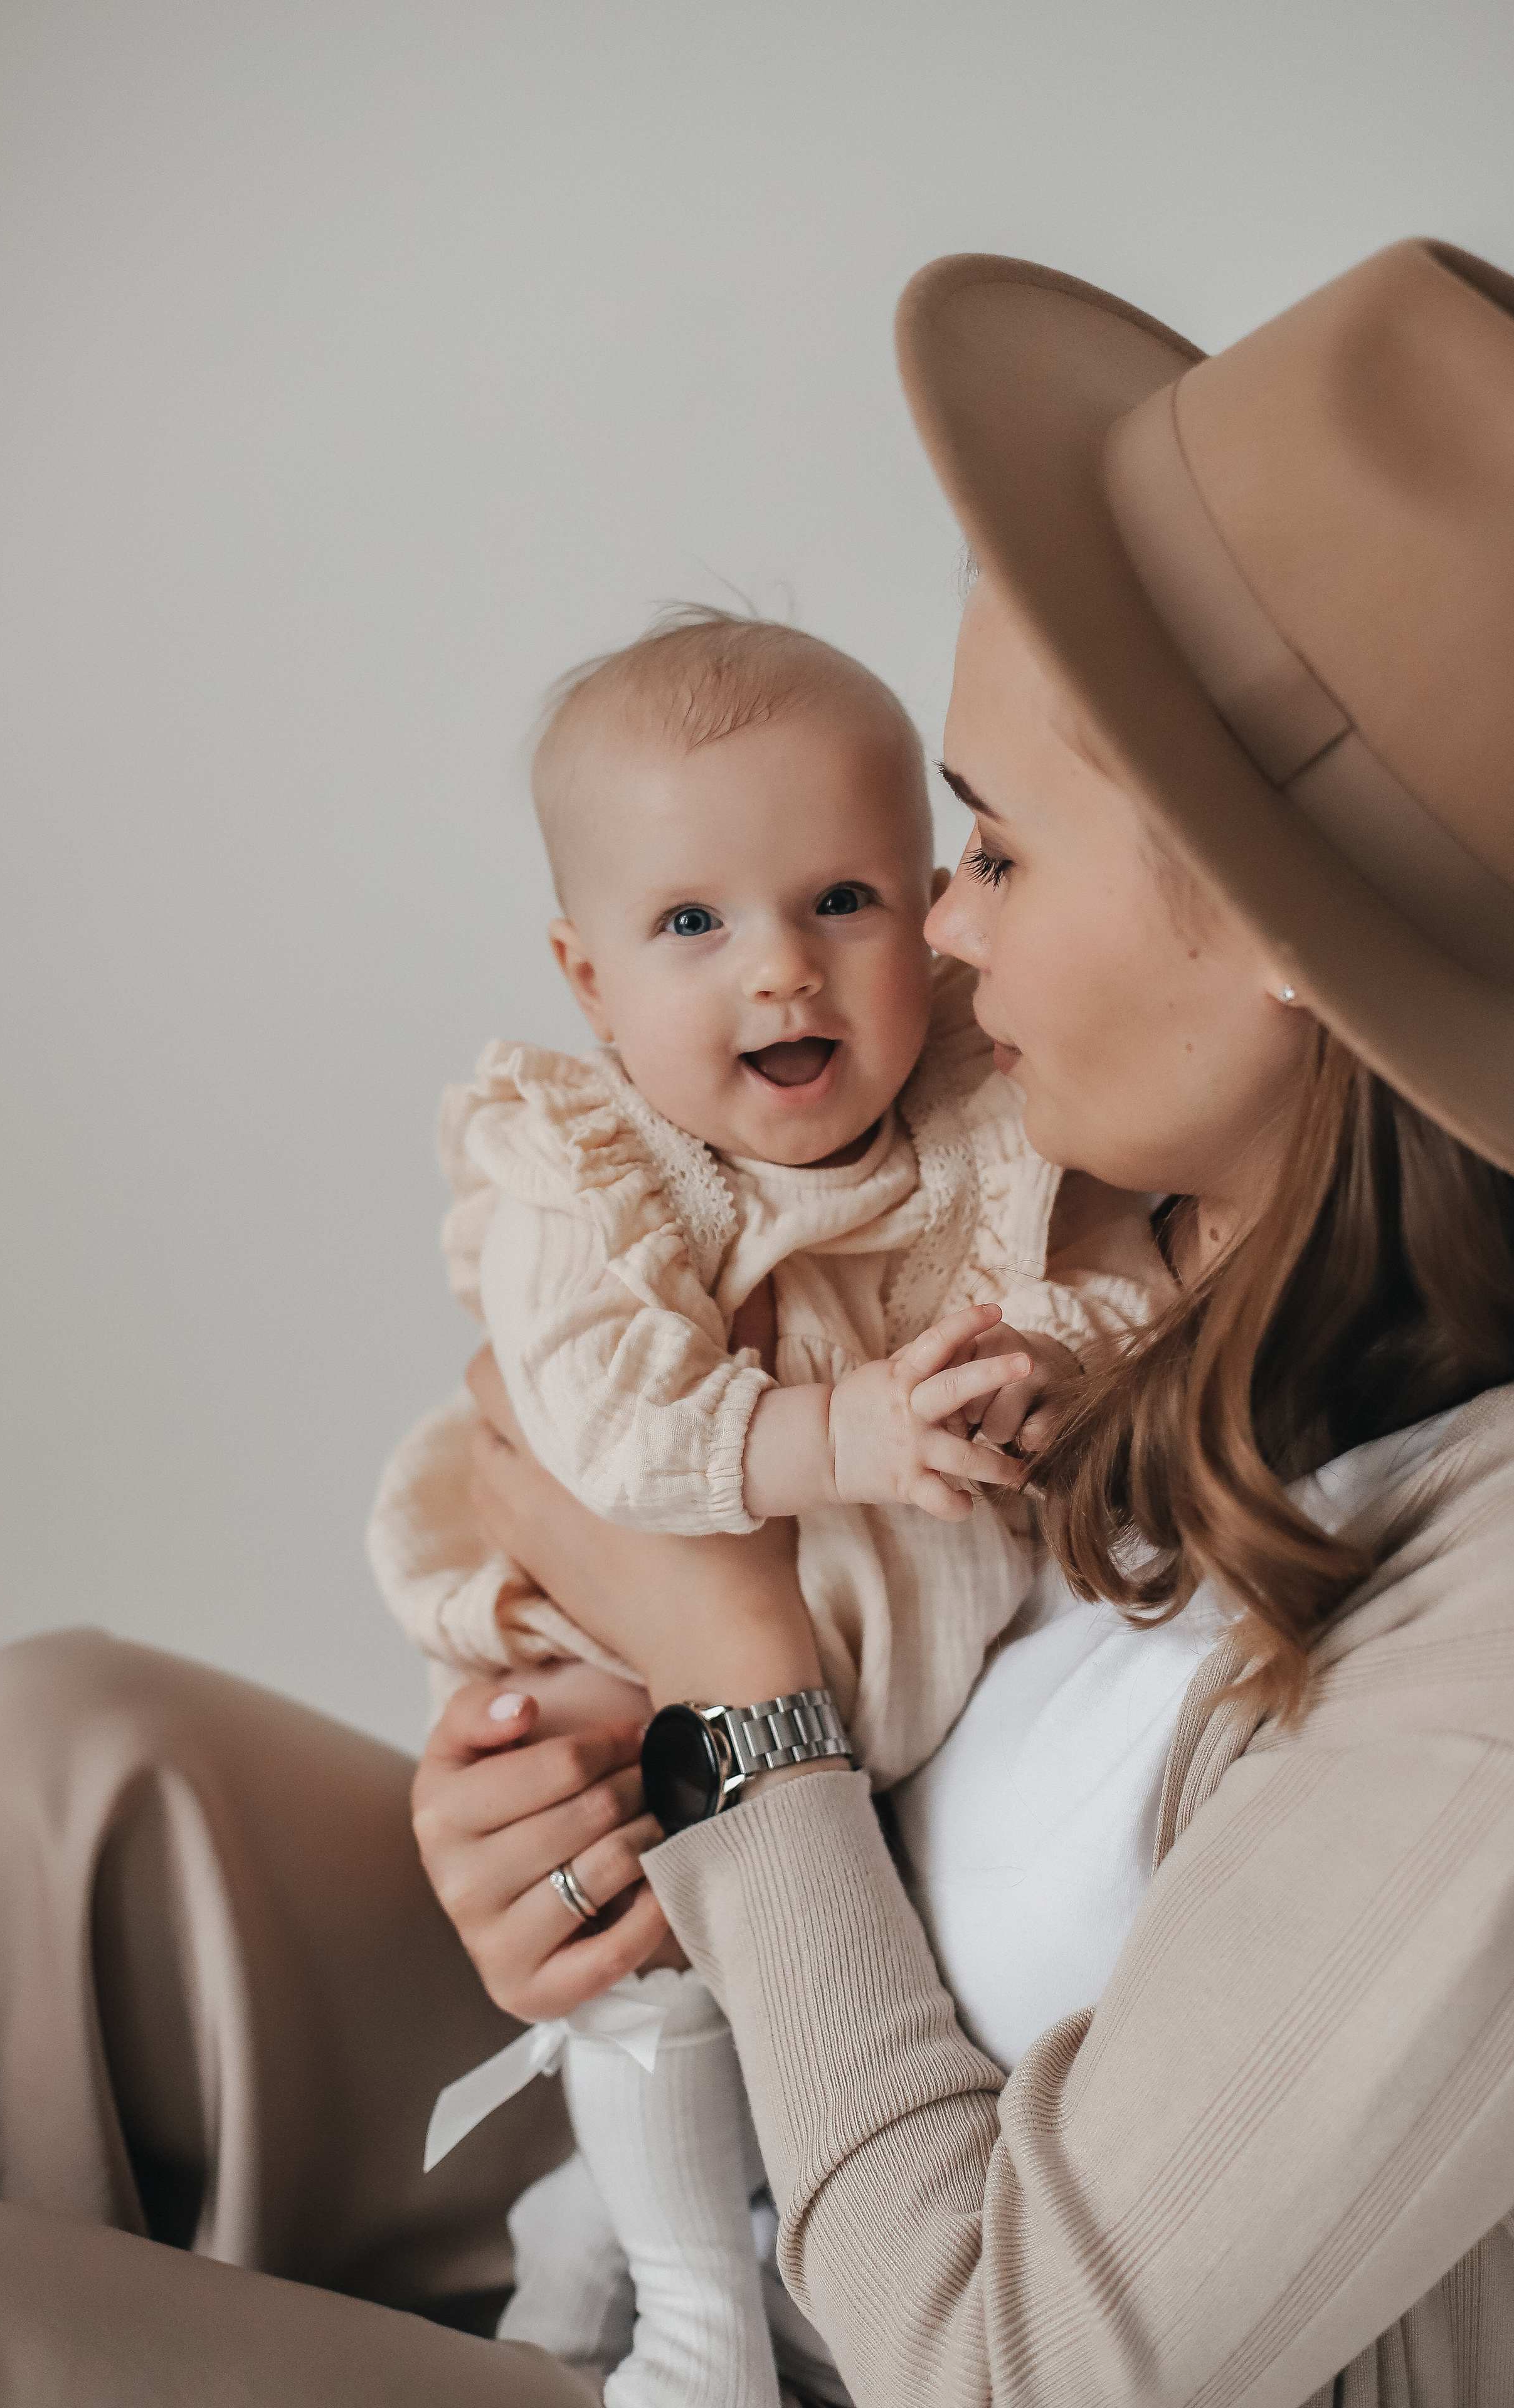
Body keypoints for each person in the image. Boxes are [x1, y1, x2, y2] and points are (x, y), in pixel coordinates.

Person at [0, 233, 1514, 2408]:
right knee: (55, 1768)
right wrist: (582, 1814)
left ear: (1287, 941)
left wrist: (739, 1698)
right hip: (729, 2129)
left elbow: (1004, 2363)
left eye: (981, 855)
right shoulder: (1118, 1200)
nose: (932, 947)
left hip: (867, 2342)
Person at [368, 605, 1158, 2403]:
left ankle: (599, 2238)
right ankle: (693, 2325)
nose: (780, 974)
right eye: (693, 926)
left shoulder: (990, 1107)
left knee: (750, 1975)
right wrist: (851, 1439)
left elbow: (1114, 1291)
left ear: (929, 905)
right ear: (587, 981)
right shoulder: (591, 1170)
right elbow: (617, 1441)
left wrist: (1058, 1366)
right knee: (649, 1965)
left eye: (842, 902)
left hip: (847, 1659)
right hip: (624, 1644)